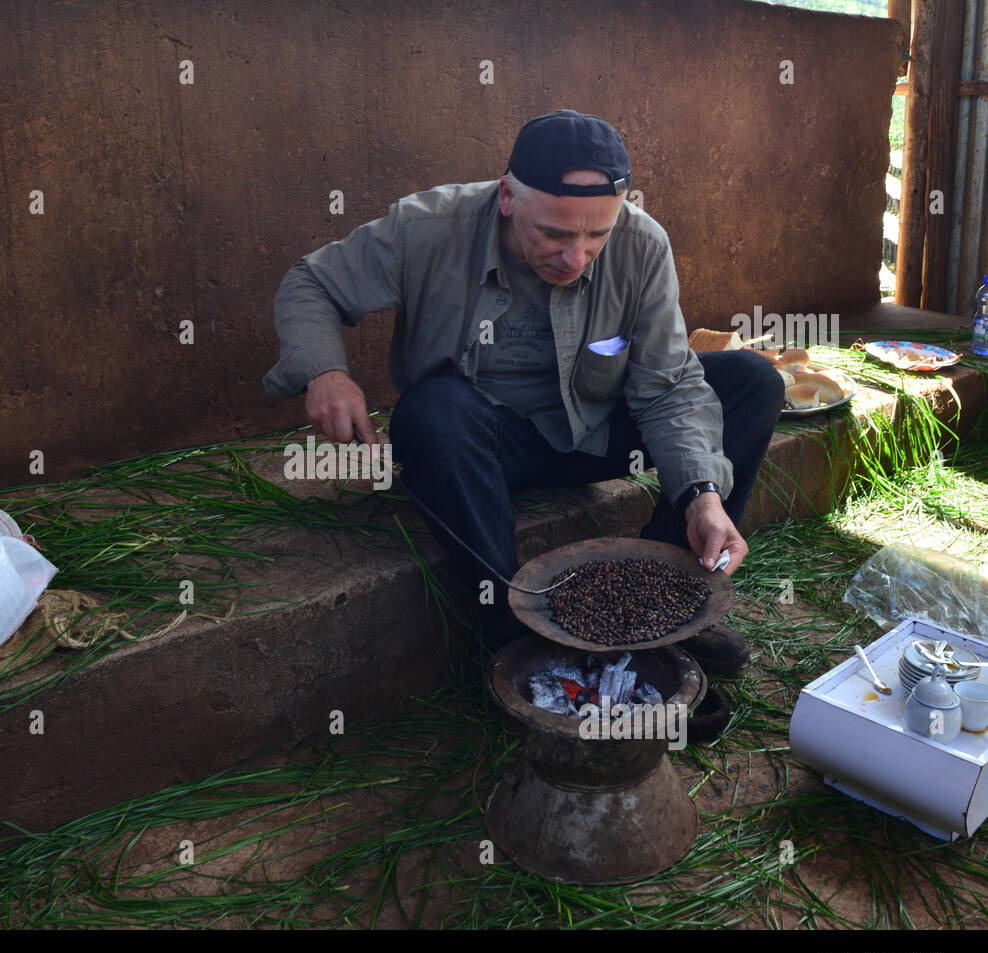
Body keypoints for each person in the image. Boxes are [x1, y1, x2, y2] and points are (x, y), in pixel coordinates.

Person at [263, 110, 784, 675]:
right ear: (508, 197)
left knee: (752, 381)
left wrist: (702, 494)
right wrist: (326, 372)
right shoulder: (429, 227)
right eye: (555, 233)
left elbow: (667, 387)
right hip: (479, 450)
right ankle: (512, 637)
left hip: (595, 433)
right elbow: (310, 282)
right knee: (433, 411)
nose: (575, 256)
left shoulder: (642, 245)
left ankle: (661, 608)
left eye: (596, 235)